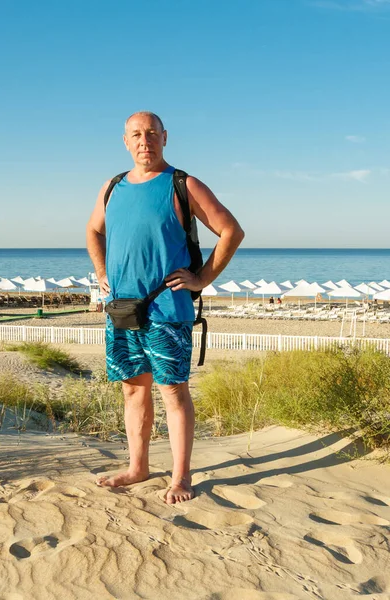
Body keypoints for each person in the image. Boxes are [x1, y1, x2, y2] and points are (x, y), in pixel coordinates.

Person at [86, 111, 244, 504]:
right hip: (122, 310)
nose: (145, 141)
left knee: (173, 391)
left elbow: (231, 230)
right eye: (137, 135)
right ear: (125, 140)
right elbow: (92, 230)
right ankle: (137, 467)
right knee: (132, 391)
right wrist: (101, 270)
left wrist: (202, 279)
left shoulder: (182, 184)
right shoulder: (112, 186)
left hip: (167, 310)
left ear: (165, 138)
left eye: (152, 134)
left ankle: (181, 477)